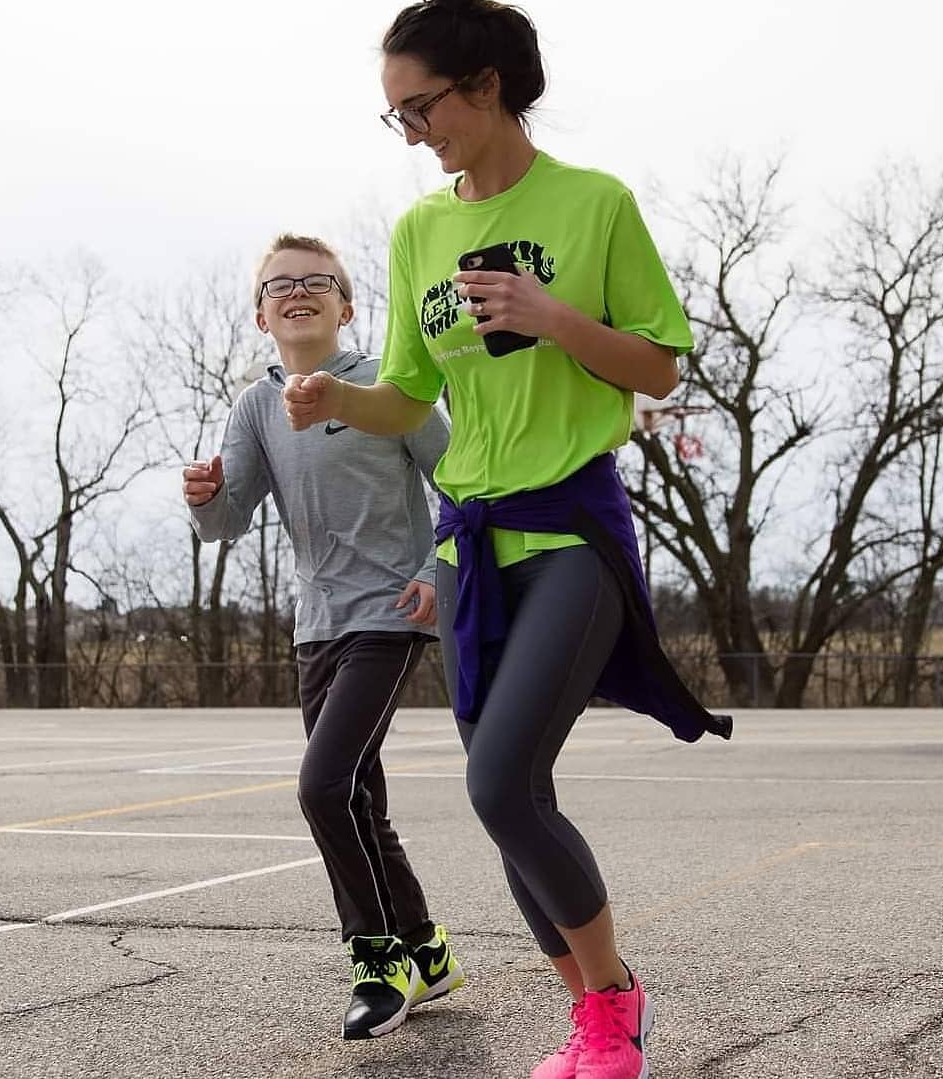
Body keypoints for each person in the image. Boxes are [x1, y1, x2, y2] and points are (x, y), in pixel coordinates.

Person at [281, 2, 733, 1076]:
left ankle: (614, 1004)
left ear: (484, 85)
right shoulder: (417, 230)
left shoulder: (593, 204)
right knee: (509, 797)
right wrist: (332, 399)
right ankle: (591, 1015)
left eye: (420, 107)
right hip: (466, 542)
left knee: (498, 783)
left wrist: (549, 314)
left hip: (569, 524)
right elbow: (404, 396)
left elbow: (659, 367)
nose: (412, 133)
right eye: (392, 117)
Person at [182, 233, 462, 1041]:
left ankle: (377, 959)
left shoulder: (387, 383)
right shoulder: (255, 407)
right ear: (260, 312)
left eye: (317, 281)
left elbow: (462, 483)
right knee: (359, 797)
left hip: (389, 614)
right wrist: (203, 496)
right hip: (316, 627)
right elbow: (225, 520)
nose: (296, 292)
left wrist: (439, 572)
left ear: (345, 304)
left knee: (321, 785)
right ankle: (428, 948)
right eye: (279, 285)